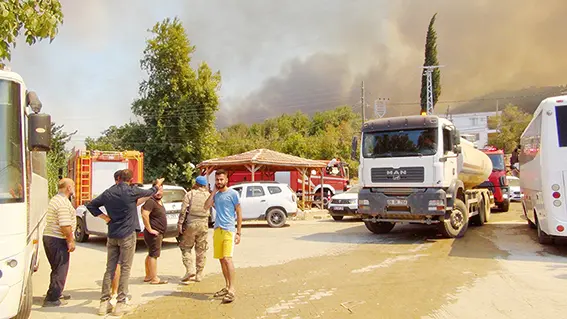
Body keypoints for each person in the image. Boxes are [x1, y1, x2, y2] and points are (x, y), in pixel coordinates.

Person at [87, 169, 164, 316]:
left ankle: (104, 303)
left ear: (118, 178)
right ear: (131, 179)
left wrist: (105, 217)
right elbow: (150, 191)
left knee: (110, 268)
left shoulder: (108, 192)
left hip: (112, 234)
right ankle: (120, 304)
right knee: (125, 269)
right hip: (127, 234)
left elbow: (91, 205)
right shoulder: (131, 191)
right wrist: (158, 184)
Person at [204, 169, 242, 303]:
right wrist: (213, 192)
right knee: (221, 259)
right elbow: (206, 206)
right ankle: (226, 286)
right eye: (217, 180)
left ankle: (232, 289)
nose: (219, 182)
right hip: (217, 230)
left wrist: (238, 232)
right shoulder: (216, 195)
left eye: (222, 179)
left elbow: (239, 211)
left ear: (226, 180)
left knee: (227, 259)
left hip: (229, 230)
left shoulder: (233, 194)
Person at [42, 178, 77, 307]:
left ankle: (55, 292)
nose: (74, 188)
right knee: (61, 269)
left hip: (51, 238)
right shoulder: (62, 203)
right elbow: (65, 225)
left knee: (56, 268)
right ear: (68, 188)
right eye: (73, 186)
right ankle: (52, 299)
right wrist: (70, 241)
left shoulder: (57, 199)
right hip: (57, 239)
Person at [178, 176, 211, 283]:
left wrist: (180, 223)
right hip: (204, 224)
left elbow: (183, 210)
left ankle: (189, 269)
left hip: (191, 223)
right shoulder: (208, 195)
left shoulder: (190, 194)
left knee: (186, 247)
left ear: (196, 183)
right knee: (201, 249)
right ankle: (199, 274)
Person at [141, 181, 168, 285]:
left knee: (151, 254)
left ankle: (148, 276)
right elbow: (144, 214)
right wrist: (150, 229)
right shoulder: (150, 201)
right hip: (153, 234)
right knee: (154, 255)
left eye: (160, 190)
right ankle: (154, 278)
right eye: (157, 190)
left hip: (158, 232)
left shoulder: (158, 201)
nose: (159, 193)